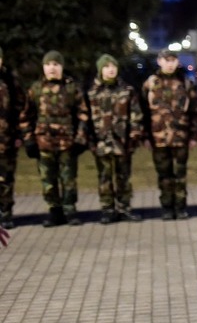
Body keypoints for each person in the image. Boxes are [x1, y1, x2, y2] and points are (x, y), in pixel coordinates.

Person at [19, 51, 88, 227]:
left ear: (61, 67)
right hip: (44, 143)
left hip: (67, 143)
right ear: (44, 67)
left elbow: (83, 114)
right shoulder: (36, 89)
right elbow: (26, 116)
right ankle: (54, 211)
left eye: (56, 64)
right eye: (48, 64)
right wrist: (29, 140)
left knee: (68, 179)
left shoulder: (72, 88)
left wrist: (80, 138)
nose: (52, 68)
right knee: (48, 180)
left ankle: (70, 210)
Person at [86, 53, 145, 224]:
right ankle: (107, 209)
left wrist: (134, 136)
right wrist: (90, 140)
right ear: (100, 70)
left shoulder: (127, 90)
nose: (111, 70)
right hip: (101, 141)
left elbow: (136, 114)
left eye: (113, 66)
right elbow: (86, 118)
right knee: (104, 177)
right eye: (106, 67)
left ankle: (124, 208)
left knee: (123, 177)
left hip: (123, 142)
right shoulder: (92, 92)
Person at [143, 48, 197, 220]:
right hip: (158, 138)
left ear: (177, 62)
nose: (170, 64)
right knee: (164, 175)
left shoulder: (185, 83)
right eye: (166, 60)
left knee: (180, 175)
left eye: (173, 60)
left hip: (180, 138)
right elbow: (143, 112)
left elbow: (195, 111)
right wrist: (145, 136)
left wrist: (194, 136)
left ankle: (181, 207)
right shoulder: (150, 84)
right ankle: (167, 207)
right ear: (159, 62)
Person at [0, 46, 27, 230]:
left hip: (6, 140)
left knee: (6, 179)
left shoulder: (10, 80)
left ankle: (6, 213)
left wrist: (19, 134)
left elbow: (20, 108)